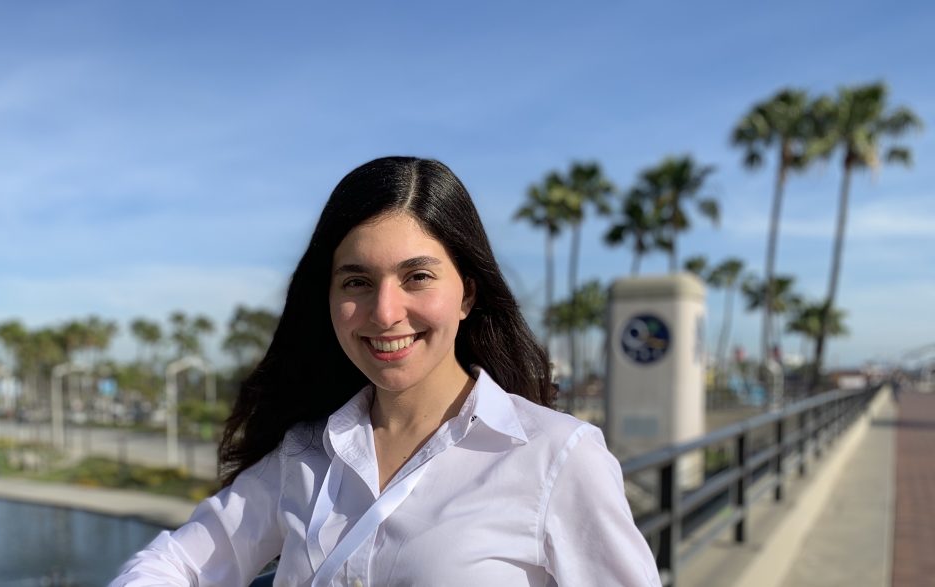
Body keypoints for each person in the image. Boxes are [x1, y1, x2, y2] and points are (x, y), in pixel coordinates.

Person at [111, 157, 660, 586]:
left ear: (466, 294)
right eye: (356, 282)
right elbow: (178, 562)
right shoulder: (305, 453)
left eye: (416, 276)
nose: (385, 312)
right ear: (325, 298)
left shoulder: (555, 456)